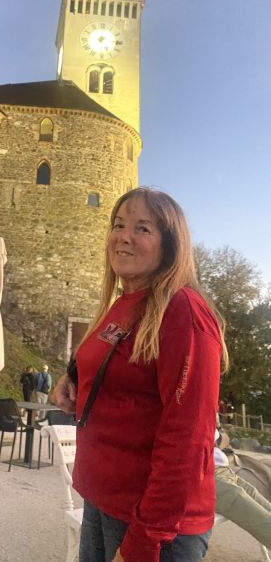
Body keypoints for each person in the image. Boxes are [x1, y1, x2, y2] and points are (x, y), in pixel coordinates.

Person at [52, 187, 228, 562]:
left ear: (170, 244)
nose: (124, 236)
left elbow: (188, 439)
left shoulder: (183, 313)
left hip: (152, 523)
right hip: (103, 501)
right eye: (118, 224)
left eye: (142, 228)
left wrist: (145, 540)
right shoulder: (124, 303)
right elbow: (118, 368)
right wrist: (73, 381)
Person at [214, 431, 271, 550]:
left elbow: (223, 437)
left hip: (223, 468)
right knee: (263, 522)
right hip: (203, 473)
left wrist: (217, 440)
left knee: (255, 495)